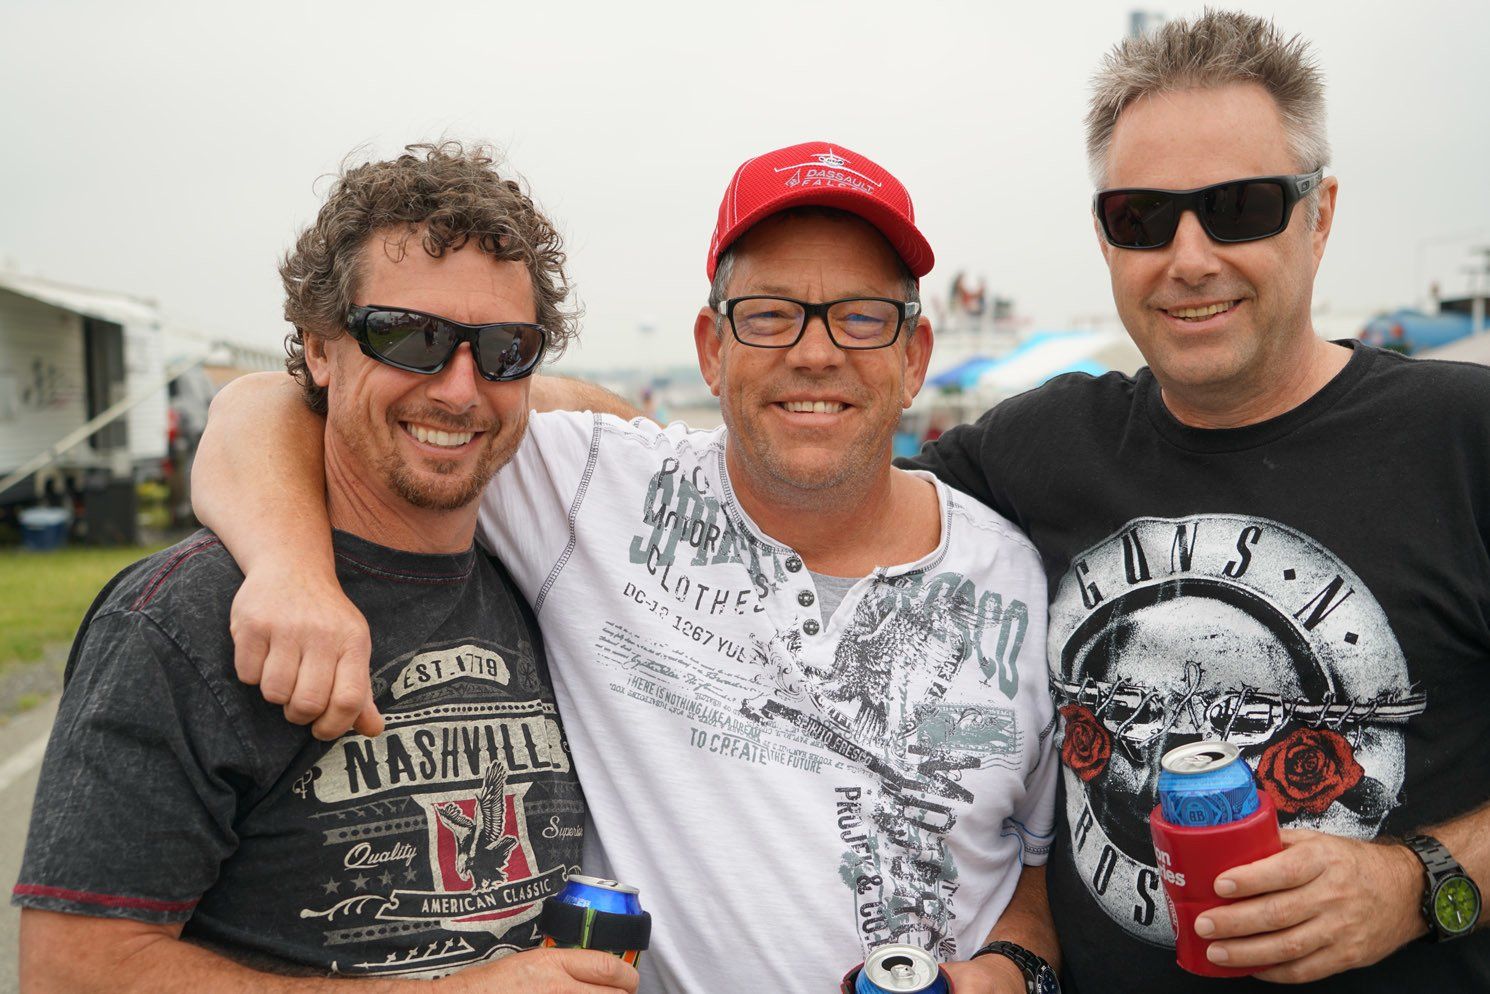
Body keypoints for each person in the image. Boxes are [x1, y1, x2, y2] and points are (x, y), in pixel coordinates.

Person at [190, 141, 1063, 993]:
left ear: (914, 356)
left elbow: (1030, 872)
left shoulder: (1018, 581)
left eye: (862, 316)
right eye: (768, 313)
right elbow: (274, 399)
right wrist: (288, 569)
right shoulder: (590, 489)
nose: (815, 352)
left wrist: (1006, 975)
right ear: (711, 349)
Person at [906, 11, 1490, 991]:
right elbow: (821, 479)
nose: (1186, 256)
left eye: (1240, 206)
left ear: (1319, 213)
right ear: (1103, 237)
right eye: (1140, 217)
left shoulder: (1463, 441)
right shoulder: (1034, 448)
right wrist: (555, 399)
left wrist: (1417, 882)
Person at [12, 143, 638, 994]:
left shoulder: (547, 582)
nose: (458, 388)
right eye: (408, 337)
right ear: (317, 350)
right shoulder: (187, 618)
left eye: (503, 349)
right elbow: (72, 971)